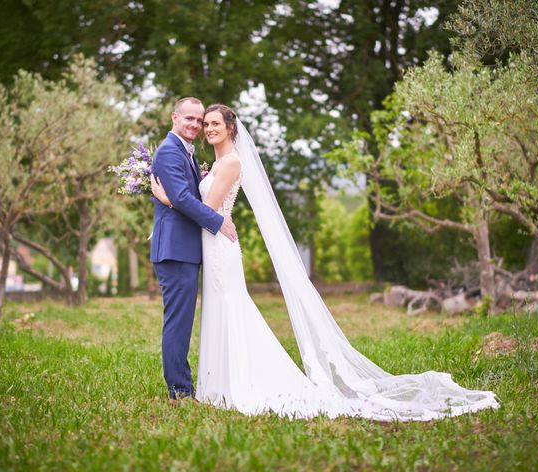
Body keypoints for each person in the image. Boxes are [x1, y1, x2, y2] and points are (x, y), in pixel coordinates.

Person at [152, 104, 499, 420]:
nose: (206, 127)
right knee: (219, 309)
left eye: (212, 122)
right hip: (210, 246)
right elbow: (197, 199)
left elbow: (205, 207)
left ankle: (233, 383)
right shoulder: (206, 160)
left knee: (230, 307)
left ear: (231, 128)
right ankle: (215, 384)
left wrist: (167, 197)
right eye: (202, 122)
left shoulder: (230, 162)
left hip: (219, 245)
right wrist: (181, 194)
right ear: (177, 119)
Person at [149, 97, 237, 401]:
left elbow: (181, 198)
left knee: (183, 322)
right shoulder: (169, 152)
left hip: (186, 248)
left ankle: (187, 386)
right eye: (190, 119)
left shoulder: (185, 151)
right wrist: (216, 220)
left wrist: (171, 200)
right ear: (175, 117)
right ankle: (180, 391)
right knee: (178, 323)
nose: (196, 125)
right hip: (175, 250)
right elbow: (185, 199)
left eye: (200, 121)